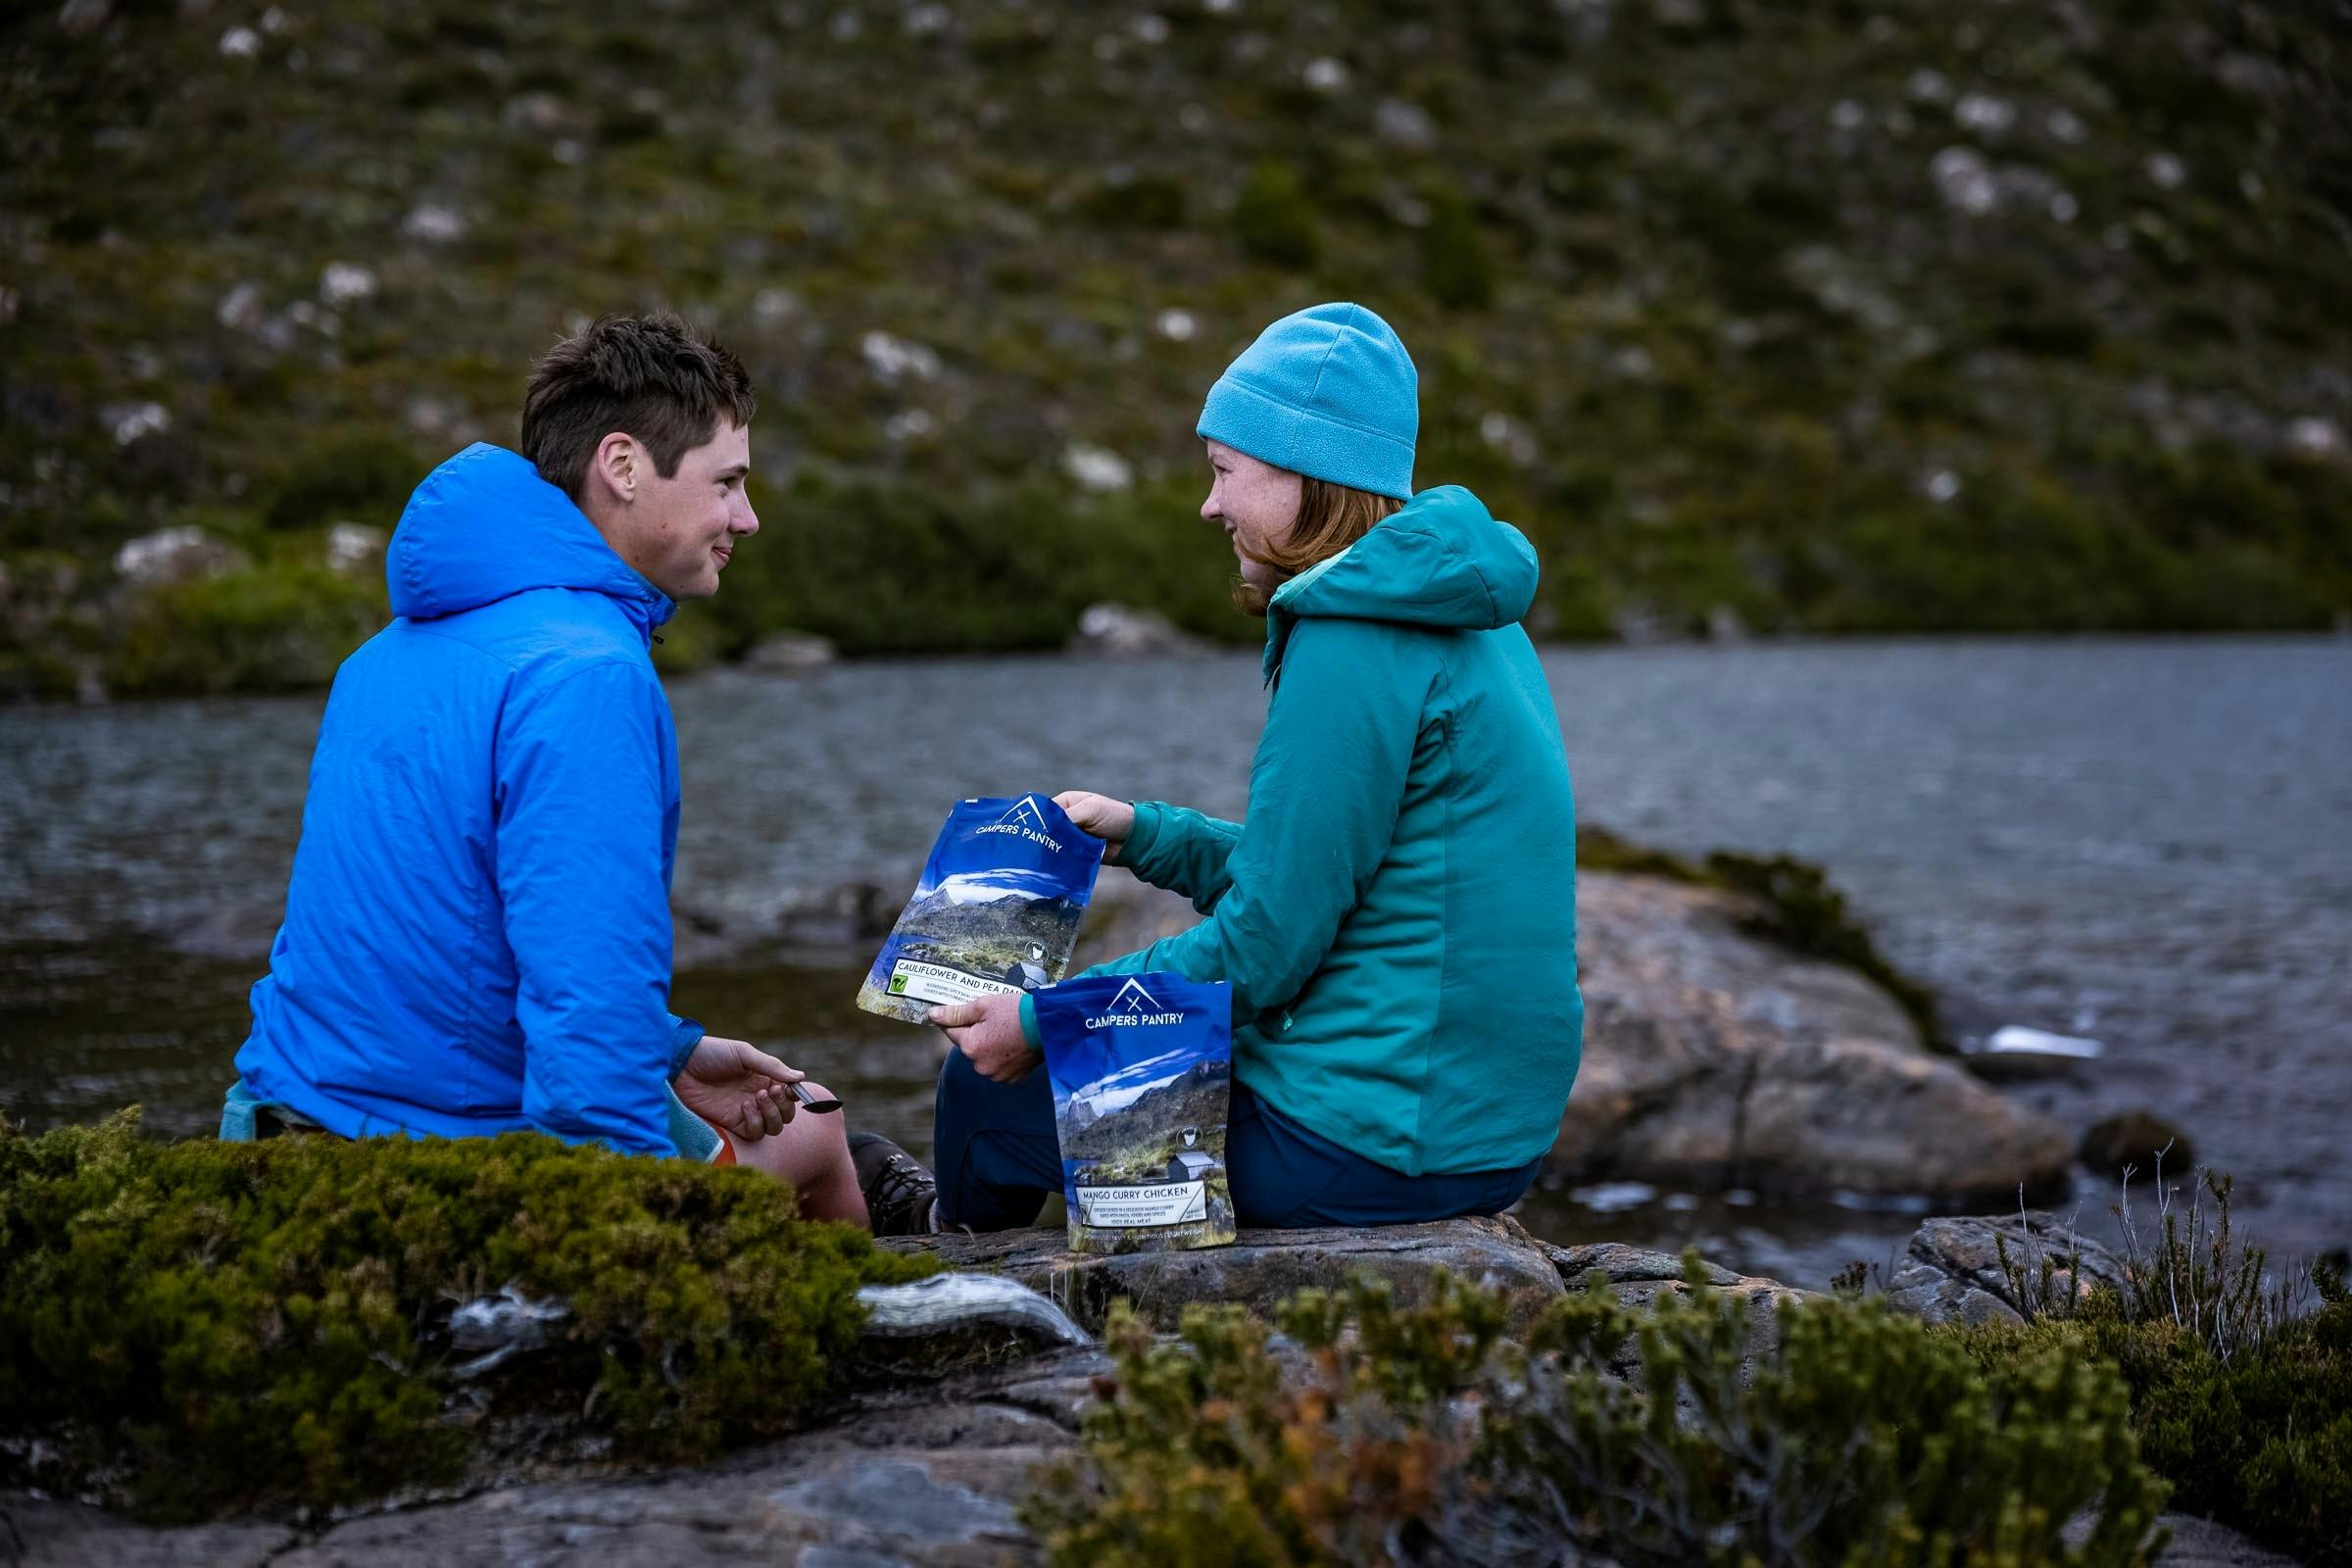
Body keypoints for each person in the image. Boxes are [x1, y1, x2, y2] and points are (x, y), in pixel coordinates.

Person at [221, 312, 912, 1227]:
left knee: (778, 1122)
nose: (747, 517)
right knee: (821, 1136)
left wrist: (669, 1050)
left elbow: (441, 941)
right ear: (623, 468)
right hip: (430, 1162)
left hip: (278, 1130)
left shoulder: (384, 656)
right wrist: (627, 1246)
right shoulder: (586, 673)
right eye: (728, 482)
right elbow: (584, 1037)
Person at [918, 302, 1583, 1235]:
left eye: (1226, 471)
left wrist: (1039, 1024)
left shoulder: (1351, 640)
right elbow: (1342, 876)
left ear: (1307, 473)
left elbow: (1268, 942)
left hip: (1361, 1147)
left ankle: (964, 1300)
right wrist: (1148, 834)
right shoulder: (1473, 621)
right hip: (1483, 1142)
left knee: (985, 1094)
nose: (1210, 503)